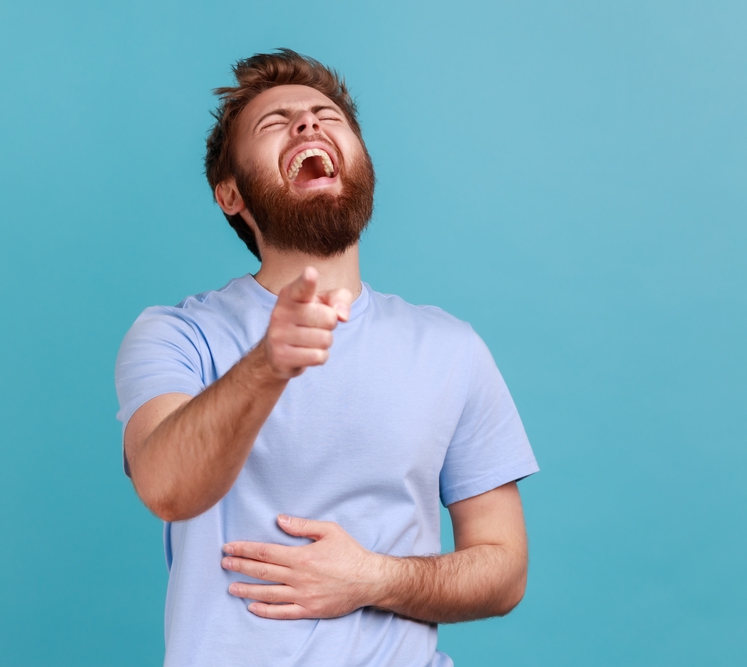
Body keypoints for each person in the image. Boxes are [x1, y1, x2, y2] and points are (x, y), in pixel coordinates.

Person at [115, 49, 539, 667]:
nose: (309, 125)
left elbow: (504, 572)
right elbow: (166, 488)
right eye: (275, 122)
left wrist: (372, 577)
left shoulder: (451, 347)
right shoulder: (178, 336)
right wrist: (268, 364)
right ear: (230, 194)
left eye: (326, 116)